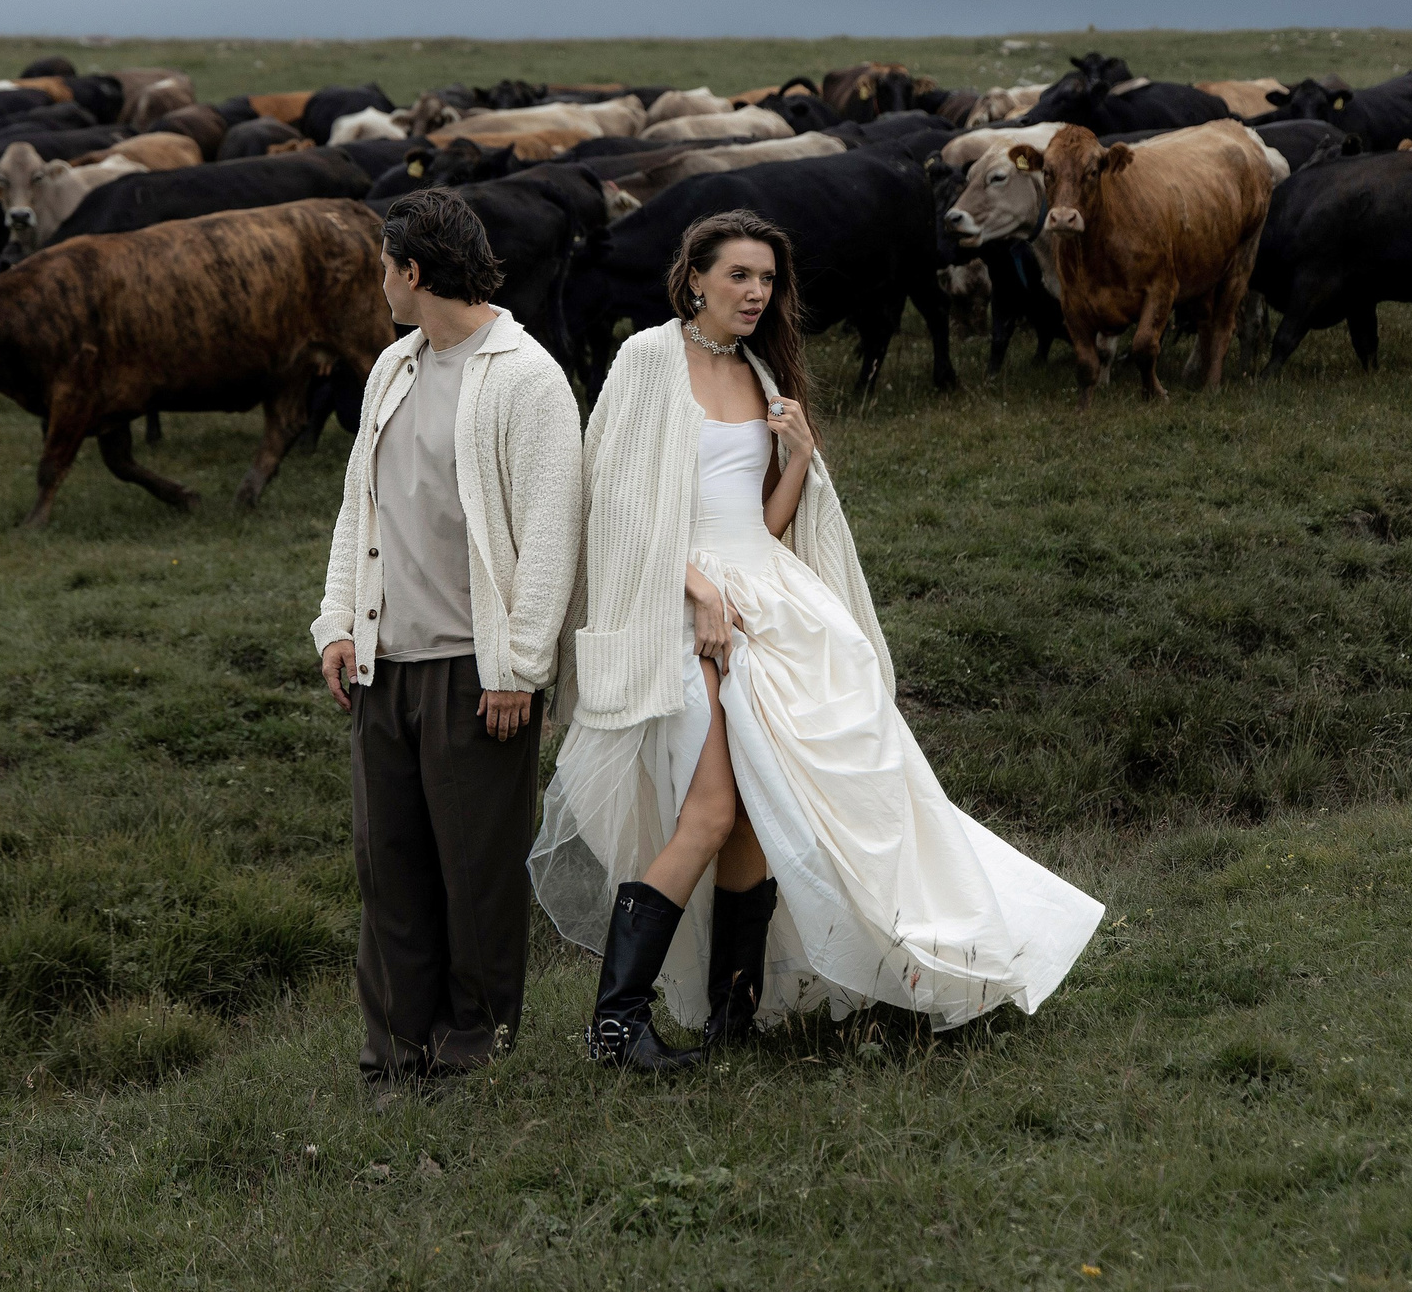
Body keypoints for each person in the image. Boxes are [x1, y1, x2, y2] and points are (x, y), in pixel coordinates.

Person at [532, 209, 1103, 1070]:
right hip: (682, 605)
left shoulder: (763, 371)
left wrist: (798, 456)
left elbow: (759, 523)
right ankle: (615, 1025)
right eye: (739, 276)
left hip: (768, 598)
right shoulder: (648, 359)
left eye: (767, 279)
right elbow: (611, 503)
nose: (757, 292)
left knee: (759, 818)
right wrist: (697, 591)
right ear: (694, 279)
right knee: (713, 809)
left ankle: (733, 1018)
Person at [313, 189, 584, 1085]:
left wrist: (520, 667)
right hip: (385, 662)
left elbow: (552, 531)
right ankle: (393, 1051)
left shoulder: (524, 376)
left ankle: (474, 1048)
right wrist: (339, 623)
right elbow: (361, 506)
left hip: (478, 670)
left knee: (474, 876)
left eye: (383, 267)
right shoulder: (392, 367)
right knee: (388, 870)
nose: (379, 284)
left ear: (414, 271)